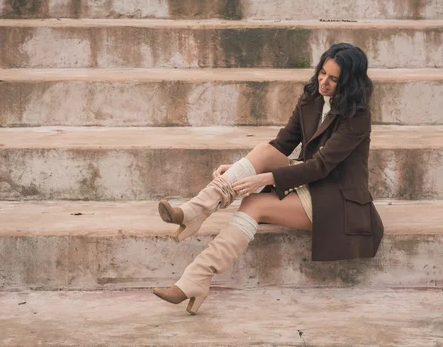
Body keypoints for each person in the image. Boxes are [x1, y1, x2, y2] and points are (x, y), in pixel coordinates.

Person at [153, 43, 384, 314]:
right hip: (311, 183)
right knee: (264, 151)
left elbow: (321, 167)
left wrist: (265, 178)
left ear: (349, 83)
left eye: (333, 79)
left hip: (337, 200)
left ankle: (195, 274)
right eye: (322, 73)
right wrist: (241, 168)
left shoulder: (358, 117)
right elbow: (281, 145)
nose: (323, 82)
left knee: (254, 203)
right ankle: (194, 220)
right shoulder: (312, 97)